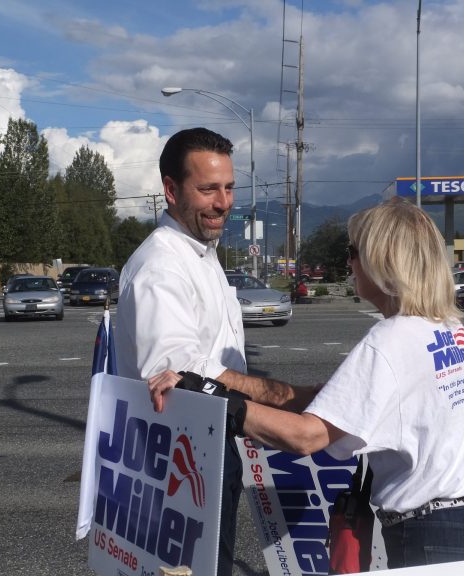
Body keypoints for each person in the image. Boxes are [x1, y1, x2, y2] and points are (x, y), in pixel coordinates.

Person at [148, 197, 464, 575]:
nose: (349, 262)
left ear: (383, 260)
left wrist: (211, 396)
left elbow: (307, 437)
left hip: (437, 535)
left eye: (353, 251)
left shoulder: (391, 338)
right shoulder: (451, 329)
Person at [114, 127, 313, 576]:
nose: (223, 202)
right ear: (170, 190)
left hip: (205, 451)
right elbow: (180, 375)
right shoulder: (161, 267)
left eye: (228, 188)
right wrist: (281, 396)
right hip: (177, 466)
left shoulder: (200, 252)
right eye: (207, 189)